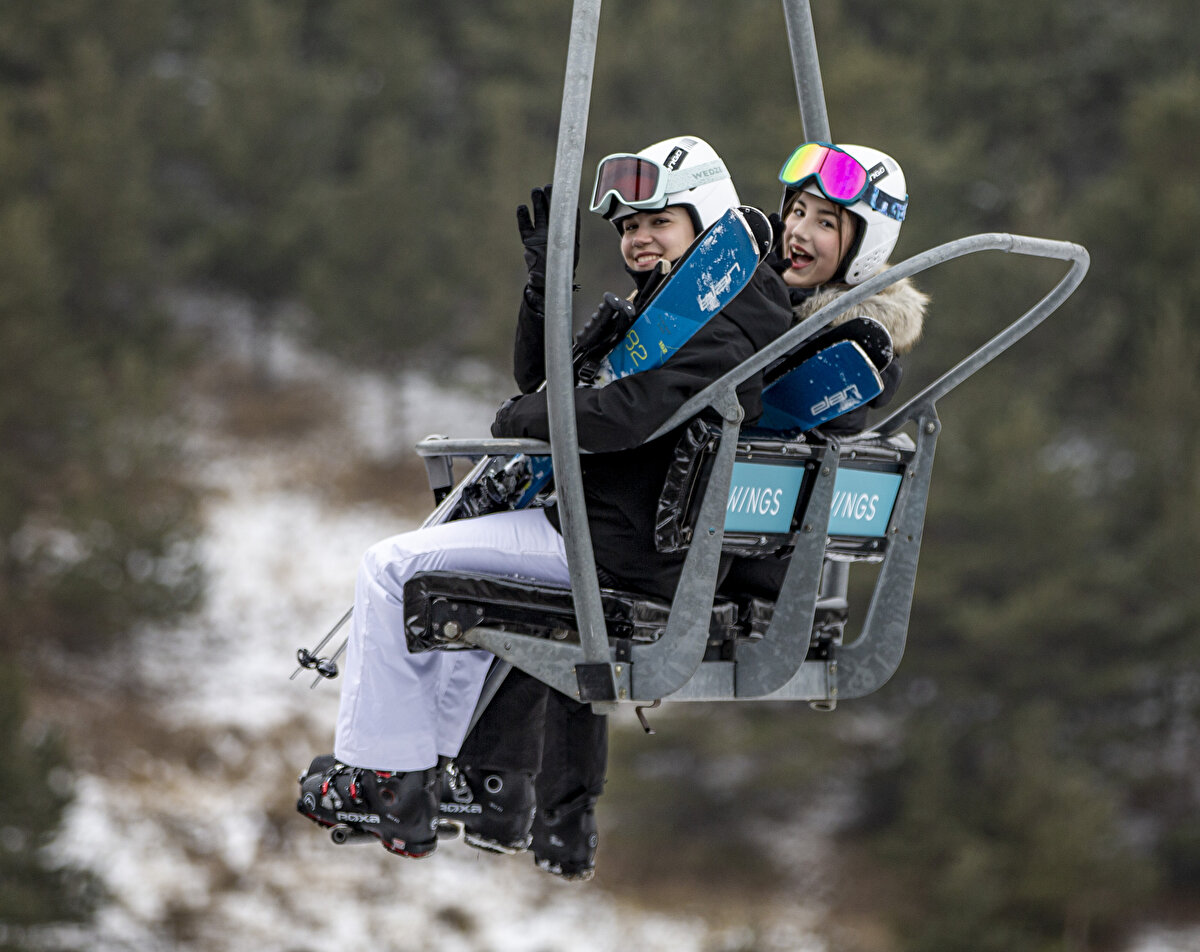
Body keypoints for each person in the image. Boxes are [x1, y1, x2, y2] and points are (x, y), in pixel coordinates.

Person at [295, 135, 792, 872]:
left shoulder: (721, 325)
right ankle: (422, 769)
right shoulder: (682, 313)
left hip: (613, 550)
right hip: (613, 536)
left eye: (660, 222)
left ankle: (387, 777)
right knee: (452, 584)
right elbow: (550, 377)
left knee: (390, 568)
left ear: (708, 223)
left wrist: (526, 418)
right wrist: (544, 292)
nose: (640, 239)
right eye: (629, 227)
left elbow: (625, 414)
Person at [722, 141, 929, 603]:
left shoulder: (844, 348)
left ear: (864, 247)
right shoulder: (776, 300)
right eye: (796, 211)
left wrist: (757, 292)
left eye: (825, 223)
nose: (797, 231)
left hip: (746, 565)